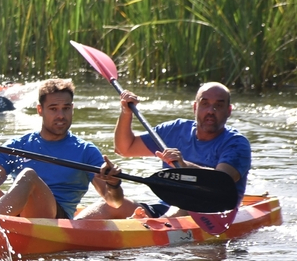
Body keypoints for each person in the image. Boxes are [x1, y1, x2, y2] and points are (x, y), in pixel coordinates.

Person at [0, 78, 125, 219]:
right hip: (16, 214)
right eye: (53, 109)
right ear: (40, 110)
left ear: (72, 109)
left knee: (29, 175)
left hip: (54, 219)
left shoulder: (85, 150)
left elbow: (114, 202)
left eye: (66, 108)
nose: (61, 115)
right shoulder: (17, 145)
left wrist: (114, 184)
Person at [84, 81, 252, 219]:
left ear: (228, 111)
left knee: (181, 208)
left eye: (218, 106)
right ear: (195, 107)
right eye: (205, 104)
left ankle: (150, 227)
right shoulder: (175, 130)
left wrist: (184, 165)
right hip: (165, 207)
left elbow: (222, 181)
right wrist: (126, 113)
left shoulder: (237, 144)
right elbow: (124, 148)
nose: (210, 111)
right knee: (106, 207)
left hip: (211, 211)